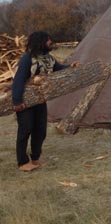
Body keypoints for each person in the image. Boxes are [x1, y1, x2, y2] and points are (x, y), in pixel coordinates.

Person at [11, 31, 78, 171]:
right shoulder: (27, 58)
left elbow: (58, 68)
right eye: (48, 40)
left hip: (40, 100)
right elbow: (18, 80)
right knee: (25, 129)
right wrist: (17, 101)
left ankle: (35, 158)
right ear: (41, 42)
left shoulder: (48, 58)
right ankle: (22, 162)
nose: (50, 43)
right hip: (26, 101)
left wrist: (70, 67)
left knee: (40, 130)